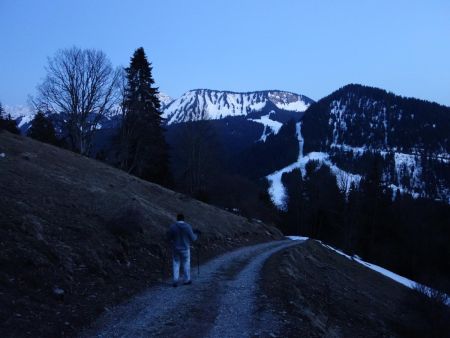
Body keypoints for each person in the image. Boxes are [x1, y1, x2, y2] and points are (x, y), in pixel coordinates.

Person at [166, 213, 199, 287]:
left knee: (176, 263)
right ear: (184, 219)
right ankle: (187, 280)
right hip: (185, 248)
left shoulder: (173, 227)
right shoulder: (188, 226)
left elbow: (168, 238)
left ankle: (175, 280)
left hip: (175, 248)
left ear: (177, 219)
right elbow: (193, 238)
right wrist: (196, 234)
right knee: (186, 263)